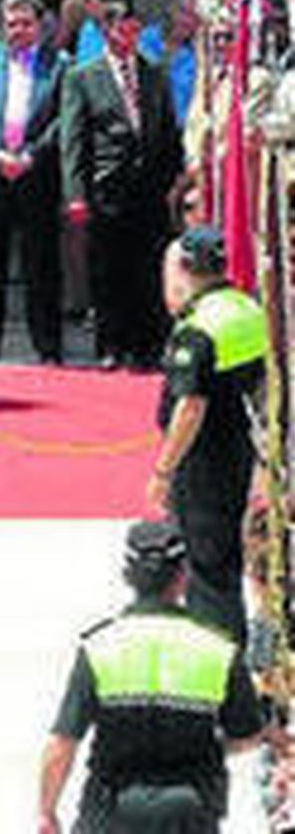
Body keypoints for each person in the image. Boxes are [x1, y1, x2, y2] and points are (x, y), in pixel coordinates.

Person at [37, 520, 272, 833]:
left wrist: (46, 812)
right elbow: (247, 736)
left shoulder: (100, 647)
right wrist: (207, 743)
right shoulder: (218, 648)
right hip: (190, 816)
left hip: (110, 815)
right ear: (182, 577)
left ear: (127, 576)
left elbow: (63, 743)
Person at [147, 227, 269, 642]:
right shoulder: (247, 308)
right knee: (225, 559)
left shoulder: (197, 328)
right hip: (237, 446)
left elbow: (191, 406)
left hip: (202, 459)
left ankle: (217, 661)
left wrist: (163, 471)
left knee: (205, 567)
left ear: (184, 268)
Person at [61, 0, 184, 368]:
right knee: (108, 268)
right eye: (121, 30)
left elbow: (166, 131)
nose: (128, 38)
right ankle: (111, 345)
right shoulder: (83, 77)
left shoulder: (153, 74)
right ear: (106, 32)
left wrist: (171, 179)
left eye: (134, 31)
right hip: (107, 187)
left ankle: (147, 344)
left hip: (148, 188)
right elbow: (74, 139)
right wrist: (76, 194)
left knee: (147, 267)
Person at [0, 0, 68, 364]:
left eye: (25, 23)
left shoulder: (60, 65)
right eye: (10, 24)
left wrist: (29, 156)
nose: (17, 31)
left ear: (40, 26)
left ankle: (48, 344)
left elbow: (61, 121)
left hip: (36, 177)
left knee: (41, 266)